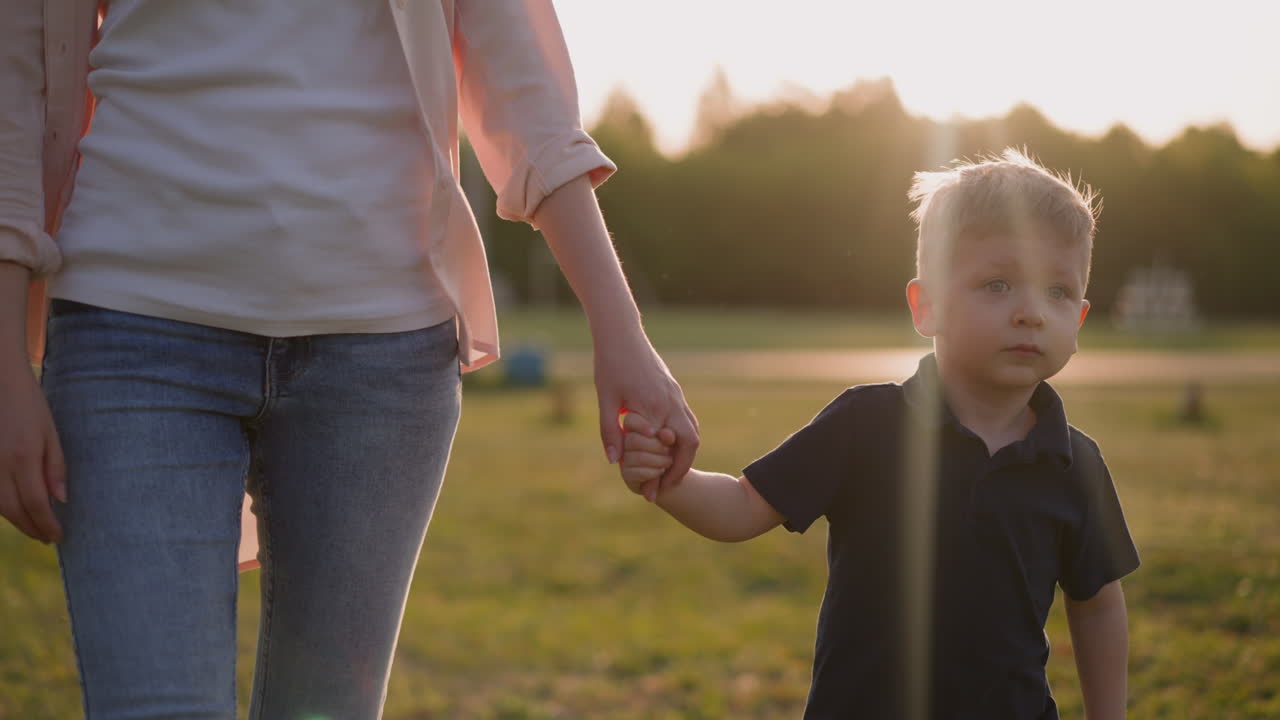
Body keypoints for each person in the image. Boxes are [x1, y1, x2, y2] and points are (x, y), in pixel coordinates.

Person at [0, 1, 697, 717]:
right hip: (133, 327)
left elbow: (524, 89)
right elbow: (12, 76)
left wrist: (620, 332)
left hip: (381, 357)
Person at [619, 149, 1139, 719]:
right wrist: (669, 479)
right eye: (997, 285)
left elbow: (1095, 605)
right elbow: (743, 507)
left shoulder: (1075, 463)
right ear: (927, 308)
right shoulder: (864, 425)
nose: (1031, 313)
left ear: (1080, 321)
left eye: (1057, 292)